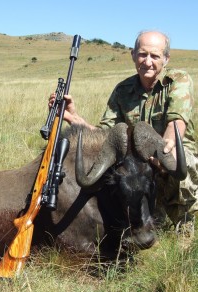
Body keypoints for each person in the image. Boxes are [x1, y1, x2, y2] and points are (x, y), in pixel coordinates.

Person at [49, 30, 197, 246]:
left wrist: (164, 151)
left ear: (166, 59)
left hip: (168, 152)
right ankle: (134, 221)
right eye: (142, 54)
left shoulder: (178, 80)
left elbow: (176, 123)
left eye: (155, 56)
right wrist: (75, 118)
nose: (147, 61)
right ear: (133, 54)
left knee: (177, 160)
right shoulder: (122, 90)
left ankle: (184, 223)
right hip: (138, 165)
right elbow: (104, 135)